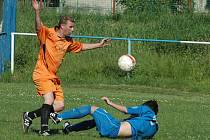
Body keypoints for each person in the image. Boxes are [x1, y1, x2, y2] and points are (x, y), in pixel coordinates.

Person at [22, 0, 111, 136]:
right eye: (71, 27)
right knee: (49, 100)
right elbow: (38, 27)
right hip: (41, 72)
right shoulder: (48, 34)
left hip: (53, 76)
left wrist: (99, 45)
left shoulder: (68, 41)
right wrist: (37, 11)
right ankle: (44, 130)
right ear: (62, 26)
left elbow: (81, 47)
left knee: (59, 106)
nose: (73, 29)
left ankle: (29, 116)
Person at [51, 96, 159, 139]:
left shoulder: (146, 109)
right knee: (96, 121)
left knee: (92, 108)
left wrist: (110, 103)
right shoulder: (154, 128)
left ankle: (59, 117)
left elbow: (126, 110)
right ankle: (68, 129)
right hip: (114, 132)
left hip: (113, 128)